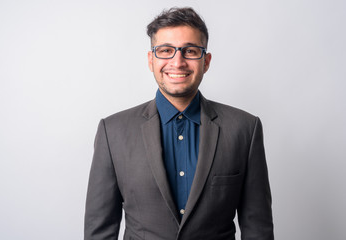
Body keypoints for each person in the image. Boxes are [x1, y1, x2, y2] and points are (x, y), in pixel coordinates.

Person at [84, 7, 274, 240]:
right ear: (151, 60)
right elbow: (99, 231)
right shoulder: (112, 132)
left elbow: (258, 229)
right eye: (165, 50)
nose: (178, 61)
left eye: (190, 51)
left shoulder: (245, 129)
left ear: (206, 61)